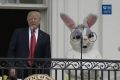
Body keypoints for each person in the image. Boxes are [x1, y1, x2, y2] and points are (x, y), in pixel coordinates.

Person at [7, 11, 51, 79]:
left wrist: (46, 73)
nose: (33, 21)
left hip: (38, 70)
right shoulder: (18, 33)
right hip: (20, 69)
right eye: (30, 19)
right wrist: (12, 67)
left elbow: (47, 56)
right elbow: (11, 51)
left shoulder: (45, 36)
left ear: (39, 21)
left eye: (35, 19)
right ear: (27, 21)